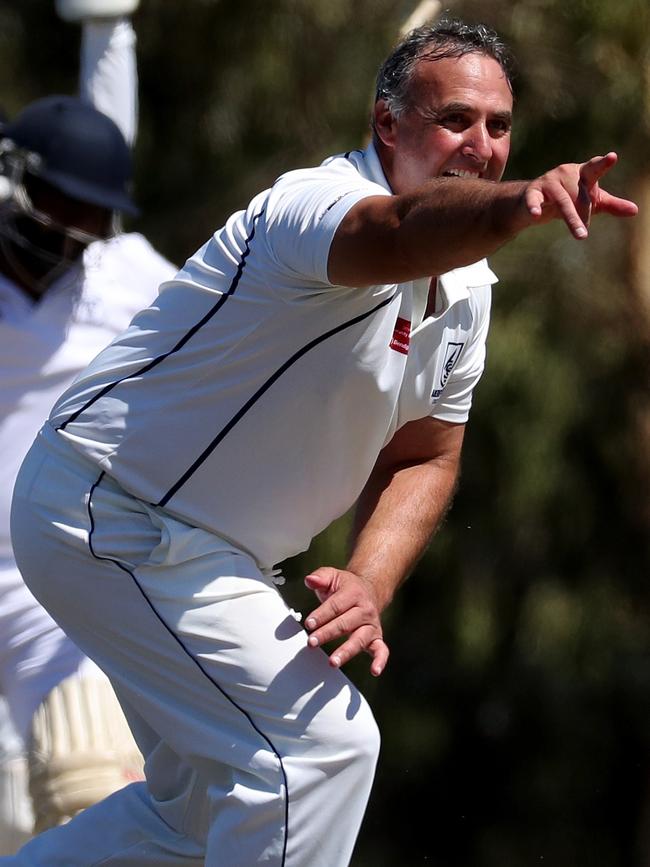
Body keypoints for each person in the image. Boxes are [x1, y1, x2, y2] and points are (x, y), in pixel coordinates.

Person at [5, 17, 637, 867]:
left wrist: (371, 580)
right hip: (106, 511)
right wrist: (518, 200)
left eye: (499, 127)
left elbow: (426, 455)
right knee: (319, 753)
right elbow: (404, 229)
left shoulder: (471, 292)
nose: (482, 145)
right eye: (455, 118)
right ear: (386, 124)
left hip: (198, 551)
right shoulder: (314, 206)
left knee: (200, 821)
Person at [0, 0, 176, 849]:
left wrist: (110, 26)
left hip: (58, 607)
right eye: (49, 218)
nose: (64, 246)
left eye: (86, 228)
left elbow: (261, 308)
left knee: (85, 788)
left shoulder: (124, 278)